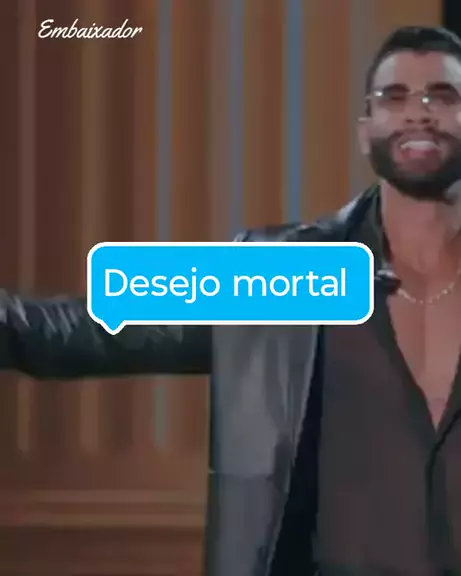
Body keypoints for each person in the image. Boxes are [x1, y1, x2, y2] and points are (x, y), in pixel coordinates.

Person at [2, 24, 461, 575]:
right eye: (395, 97)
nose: (418, 113)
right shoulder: (288, 274)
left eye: (443, 96)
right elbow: (83, 331)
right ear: (366, 131)